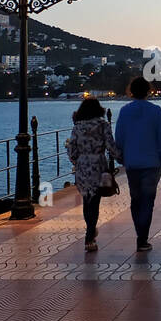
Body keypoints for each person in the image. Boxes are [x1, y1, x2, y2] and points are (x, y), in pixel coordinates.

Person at [113, 76, 161, 251]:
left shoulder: (124, 111)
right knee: (147, 200)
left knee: (136, 199)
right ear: (148, 91)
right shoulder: (156, 111)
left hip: (132, 163)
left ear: (131, 91)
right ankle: (142, 239)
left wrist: (121, 157)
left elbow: (119, 137)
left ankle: (140, 233)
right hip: (152, 163)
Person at [64, 97, 122, 251]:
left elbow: (71, 150)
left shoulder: (77, 127)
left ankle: (90, 231)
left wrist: (77, 161)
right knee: (95, 202)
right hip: (98, 166)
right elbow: (110, 146)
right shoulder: (103, 125)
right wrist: (121, 158)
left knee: (86, 200)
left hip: (82, 167)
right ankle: (89, 237)